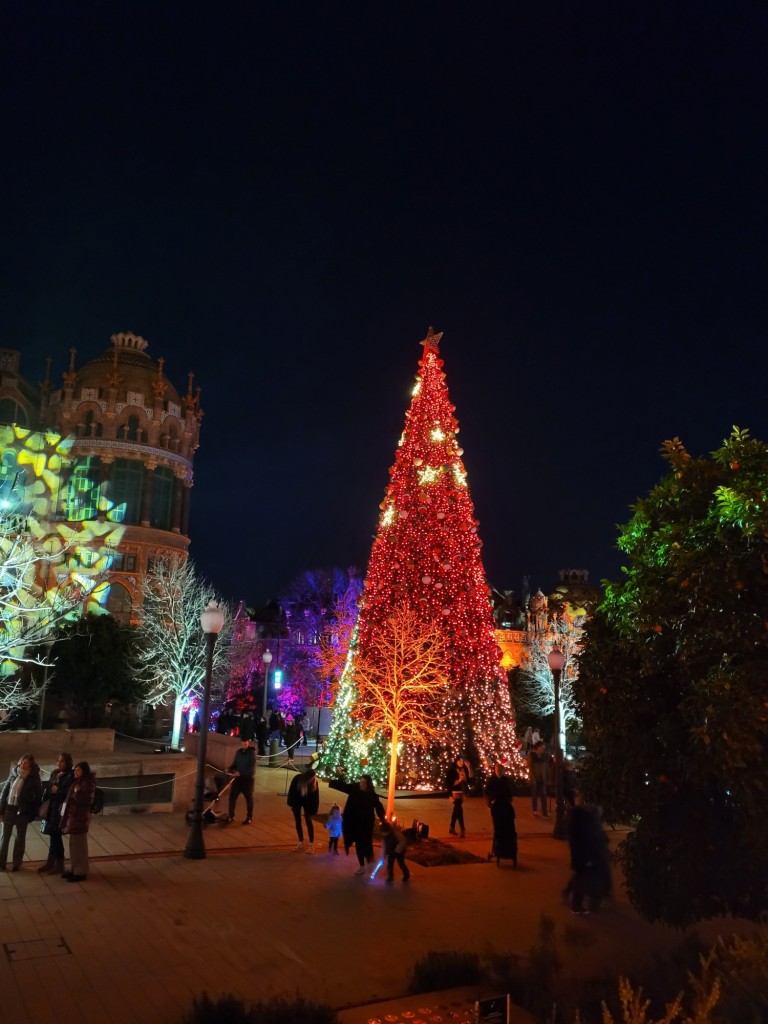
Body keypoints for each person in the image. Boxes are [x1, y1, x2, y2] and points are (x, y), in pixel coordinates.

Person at [567, 792, 612, 915]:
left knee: (580, 877)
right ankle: (579, 904)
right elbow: (592, 839)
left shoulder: (578, 822)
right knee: (584, 878)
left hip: (581, 857)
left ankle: (576, 900)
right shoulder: (586, 822)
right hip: (585, 857)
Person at [0, 753, 43, 872]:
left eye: (26, 763)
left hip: (23, 811)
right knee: (5, 837)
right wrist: (1, 808)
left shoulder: (34, 777)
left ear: (30, 765)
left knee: (20, 838)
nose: (23, 765)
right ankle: (1, 863)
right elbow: (5, 790)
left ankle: (16, 863)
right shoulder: (14, 773)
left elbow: (38, 796)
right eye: (22, 762)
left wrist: (31, 813)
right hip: (9, 808)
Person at [38, 751, 74, 874]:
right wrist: (50, 791)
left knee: (56, 836)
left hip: (60, 810)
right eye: (58, 761)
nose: (59, 763)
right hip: (51, 808)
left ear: (67, 762)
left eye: (62, 761)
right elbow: (48, 789)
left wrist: (57, 791)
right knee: (53, 836)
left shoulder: (70, 776)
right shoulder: (55, 773)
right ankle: (51, 862)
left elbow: (67, 794)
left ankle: (58, 864)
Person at [60, 760, 96, 882]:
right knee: (73, 845)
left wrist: (77, 794)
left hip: (80, 819)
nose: (75, 771)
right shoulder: (77, 782)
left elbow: (86, 801)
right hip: (73, 818)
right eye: (75, 769)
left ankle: (81, 872)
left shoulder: (87, 784)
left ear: (84, 772)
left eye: (78, 770)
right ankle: (74, 869)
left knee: (80, 846)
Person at [342, 774, 385, 875]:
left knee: (366, 843)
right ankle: (362, 866)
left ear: (368, 784)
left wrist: (383, 819)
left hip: (367, 824)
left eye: (364, 783)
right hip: (356, 824)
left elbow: (378, 807)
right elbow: (349, 806)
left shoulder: (371, 795)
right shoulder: (355, 793)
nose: (361, 785)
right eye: (360, 782)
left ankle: (369, 859)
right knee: (359, 845)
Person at [287, 768, 320, 853]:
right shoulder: (297, 779)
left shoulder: (314, 783)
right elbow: (291, 791)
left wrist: (313, 812)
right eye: (311, 778)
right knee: (298, 821)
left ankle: (311, 844)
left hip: (308, 803)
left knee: (308, 822)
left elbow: (315, 799)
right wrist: (291, 804)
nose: (313, 780)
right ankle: (301, 842)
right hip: (297, 801)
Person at [228, 736, 256, 824]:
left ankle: (249, 817)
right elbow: (235, 764)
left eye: (246, 742)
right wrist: (229, 769)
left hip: (247, 780)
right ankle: (231, 816)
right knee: (232, 798)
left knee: (249, 798)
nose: (244, 744)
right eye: (243, 742)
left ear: (248, 742)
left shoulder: (251, 754)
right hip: (238, 779)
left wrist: (241, 773)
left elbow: (251, 768)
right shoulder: (238, 753)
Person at [446, 756, 470, 837]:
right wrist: (449, 795)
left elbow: (470, 778)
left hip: (462, 792)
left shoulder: (464, 769)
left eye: (462, 761)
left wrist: (468, 767)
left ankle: (452, 827)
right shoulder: (452, 770)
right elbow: (449, 783)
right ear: (456, 761)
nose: (461, 762)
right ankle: (462, 829)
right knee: (459, 809)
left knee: (457, 810)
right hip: (455, 792)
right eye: (460, 761)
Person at [527, 739, 549, 817]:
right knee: (535, 795)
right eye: (542, 748)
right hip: (534, 778)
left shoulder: (543, 756)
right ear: (538, 747)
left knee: (543, 794)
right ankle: (535, 810)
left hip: (542, 777)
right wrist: (533, 778)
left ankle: (544, 812)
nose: (543, 749)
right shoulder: (531, 755)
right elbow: (530, 767)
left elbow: (545, 766)